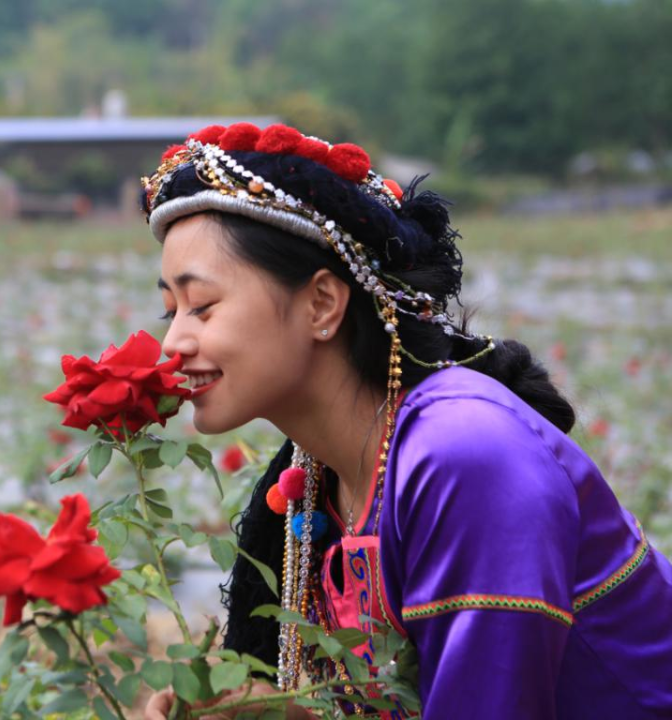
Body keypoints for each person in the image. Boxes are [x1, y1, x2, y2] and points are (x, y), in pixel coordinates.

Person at [139, 123, 672, 719]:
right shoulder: (316, 479)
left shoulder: (465, 457)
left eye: (202, 306)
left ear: (321, 303)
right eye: (171, 311)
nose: (173, 343)